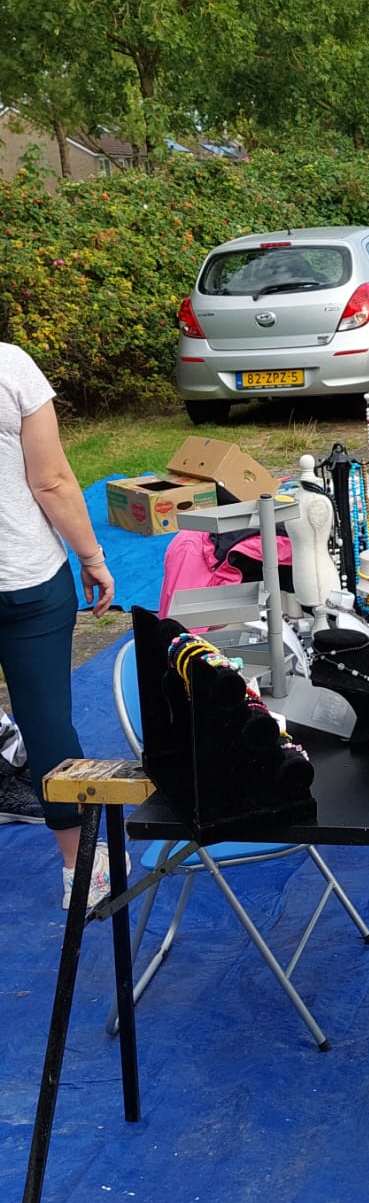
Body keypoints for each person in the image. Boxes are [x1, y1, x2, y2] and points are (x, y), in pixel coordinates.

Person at [0, 341, 117, 906]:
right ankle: (80, 872)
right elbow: (51, 481)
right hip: (24, 576)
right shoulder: (10, 365)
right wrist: (92, 556)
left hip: (23, 574)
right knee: (46, 721)